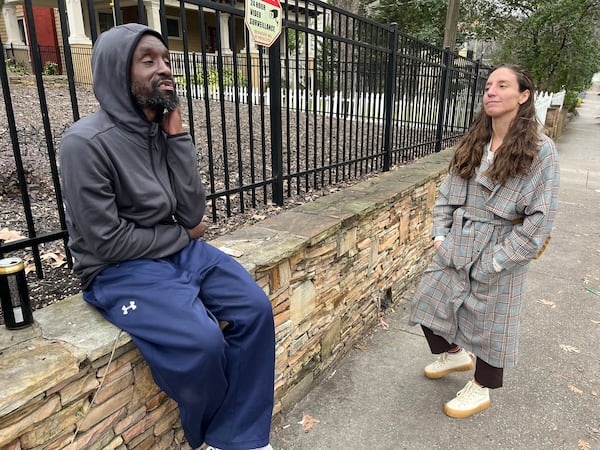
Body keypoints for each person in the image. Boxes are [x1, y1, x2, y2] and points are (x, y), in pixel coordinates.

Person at [59, 23, 275, 450]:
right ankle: (221, 438)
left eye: (166, 59)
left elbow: (194, 213)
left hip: (178, 253)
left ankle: (237, 436)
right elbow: (106, 242)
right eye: (148, 60)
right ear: (117, 71)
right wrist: (181, 235)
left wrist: (178, 137)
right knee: (201, 342)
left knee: (255, 309)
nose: (165, 69)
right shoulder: (84, 143)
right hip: (117, 270)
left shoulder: (162, 132)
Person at [409, 64, 560, 418]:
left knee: (493, 323)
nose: (490, 91)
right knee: (429, 301)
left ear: (523, 96)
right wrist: (440, 235)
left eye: (502, 85)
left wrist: (498, 259)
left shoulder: (541, 150)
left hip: (502, 244)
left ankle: (481, 388)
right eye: (488, 85)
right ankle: (454, 353)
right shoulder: (475, 141)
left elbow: (541, 218)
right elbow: (447, 194)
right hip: (459, 238)